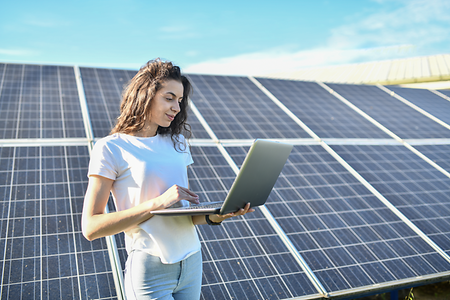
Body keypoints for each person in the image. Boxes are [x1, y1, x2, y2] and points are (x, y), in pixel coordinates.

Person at [81, 58, 254, 300]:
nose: (177, 107)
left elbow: (183, 215)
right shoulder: (111, 148)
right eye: (169, 98)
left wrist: (218, 215)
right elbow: (91, 227)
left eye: (180, 101)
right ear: (145, 95)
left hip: (192, 261)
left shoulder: (178, 143)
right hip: (150, 269)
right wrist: (157, 203)